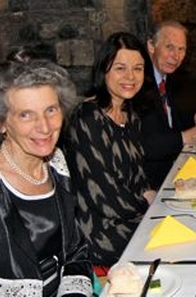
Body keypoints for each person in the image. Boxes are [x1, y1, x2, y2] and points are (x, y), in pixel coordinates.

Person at [0, 59, 93, 296]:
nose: (44, 127)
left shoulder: (56, 162)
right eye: (25, 115)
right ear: (0, 123)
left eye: (51, 110)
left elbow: (75, 252)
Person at [64, 32, 156, 267]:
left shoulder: (130, 114)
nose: (130, 76)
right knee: (174, 247)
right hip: (97, 232)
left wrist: (150, 198)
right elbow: (104, 199)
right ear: (104, 69)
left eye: (138, 68)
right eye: (120, 68)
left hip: (130, 217)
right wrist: (150, 203)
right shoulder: (87, 118)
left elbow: (138, 178)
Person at [133, 20, 196, 189]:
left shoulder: (164, 76)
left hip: (170, 167)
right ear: (151, 46)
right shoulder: (139, 83)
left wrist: (195, 118)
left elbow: (168, 120)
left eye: (181, 49)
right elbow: (145, 144)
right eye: (169, 47)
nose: (176, 56)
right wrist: (184, 137)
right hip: (149, 182)